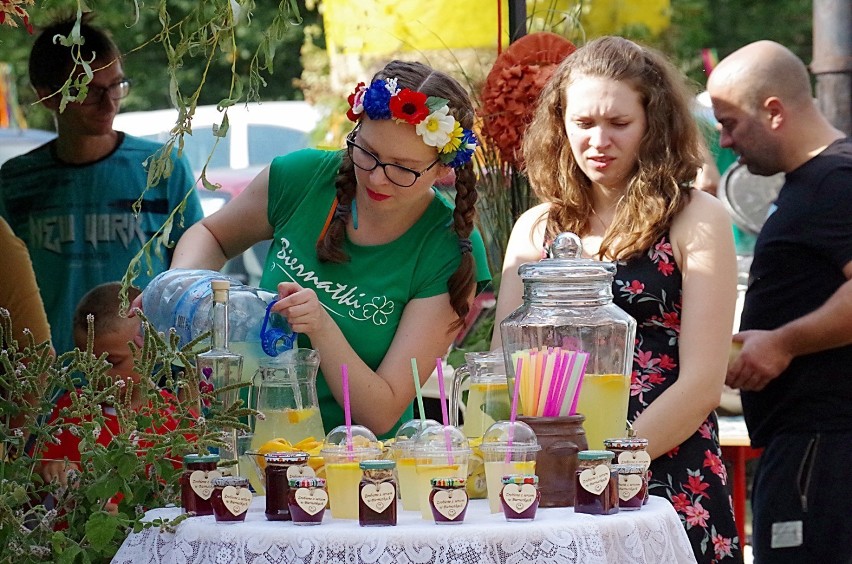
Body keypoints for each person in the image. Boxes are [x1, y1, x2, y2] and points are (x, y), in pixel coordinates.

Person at [491, 36, 740, 562]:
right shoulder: (535, 229)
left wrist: (607, 464)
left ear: (654, 123)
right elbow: (503, 371)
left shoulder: (696, 217)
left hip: (666, 467)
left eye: (618, 123)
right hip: (546, 476)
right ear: (560, 125)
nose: (598, 140)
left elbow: (701, 383)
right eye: (583, 124)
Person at [165, 60, 491, 439]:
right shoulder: (302, 177)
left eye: (403, 168)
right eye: (366, 152)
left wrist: (321, 326)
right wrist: (179, 291)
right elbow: (212, 235)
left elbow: (381, 412)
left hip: (351, 467)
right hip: (234, 439)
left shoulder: (449, 247)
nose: (375, 176)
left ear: (442, 170)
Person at [708, 40, 852, 563]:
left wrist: (785, 343)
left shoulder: (833, 182)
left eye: (730, 123)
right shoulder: (812, 183)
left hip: (823, 452)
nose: (725, 142)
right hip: (807, 449)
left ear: (773, 111)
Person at [0, 14, 204, 356]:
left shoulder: (162, 167)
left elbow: (195, 276)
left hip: (144, 383)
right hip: (46, 380)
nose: (109, 103)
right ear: (47, 96)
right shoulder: (16, 182)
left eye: (117, 86)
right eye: (90, 91)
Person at [39, 283, 187, 502]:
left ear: (151, 351)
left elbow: (183, 497)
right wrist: (51, 470)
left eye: (112, 362)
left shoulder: (173, 421)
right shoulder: (70, 409)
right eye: (87, 362)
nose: (100, 374)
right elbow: (34, 478)